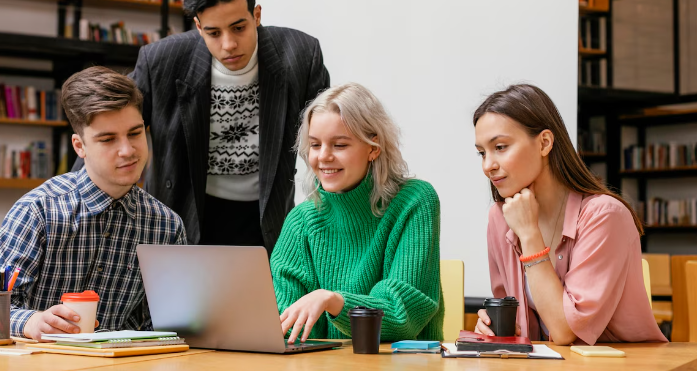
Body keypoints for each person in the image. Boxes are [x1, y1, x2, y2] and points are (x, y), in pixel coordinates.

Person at [74, 0, 329, 253]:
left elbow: (327, 138)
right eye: (213, 32)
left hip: (266, 219)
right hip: (184, 214)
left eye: (238, 27)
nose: (228, 44)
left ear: (256, 15)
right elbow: (108, 124)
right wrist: (73, 203)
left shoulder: (300, 55)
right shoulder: (162, 60)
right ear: (198, 27)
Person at [0, 67, 187, 341]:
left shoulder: (166, 226)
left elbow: (165, 327)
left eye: (135, 133)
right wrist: (32, 322)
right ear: (79, 146)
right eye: (107, 139)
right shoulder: (38, 210)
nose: (128, 150)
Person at [473, 84, 667, 345]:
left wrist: (529, 235)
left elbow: (565, 331)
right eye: (482, 153)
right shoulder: (500, 218)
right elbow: (518, 323)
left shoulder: (605, 216)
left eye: (500, 147)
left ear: (544, 143)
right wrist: (493, 326)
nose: (488, 166)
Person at [271, 83, 444, 344]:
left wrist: (334, 301)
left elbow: (402, 315)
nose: (323, 157)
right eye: (315, 145)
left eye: (339, 145)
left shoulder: (415, 201)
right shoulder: (300, 221)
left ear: (373, 148)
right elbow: (286, 322)